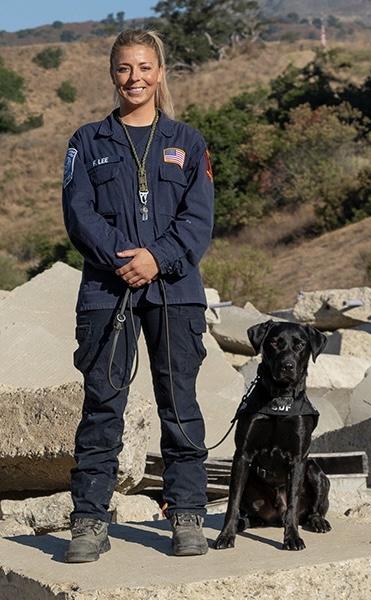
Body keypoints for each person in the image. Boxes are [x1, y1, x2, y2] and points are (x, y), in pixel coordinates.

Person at [62, 29, 214, 563]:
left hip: (176, 293)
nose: (136, 78)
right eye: (125, 68)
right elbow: (79, 214)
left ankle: (188, 513)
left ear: (160, 73)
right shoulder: (87, 142)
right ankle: (88, 521)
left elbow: (198, 222)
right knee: (103, 408)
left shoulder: (189, 143)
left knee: (180, 406)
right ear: (112, 74)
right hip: (107, 293)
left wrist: (158, 258)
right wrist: (125, 259)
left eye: (145, 68)